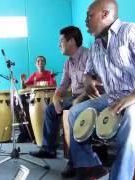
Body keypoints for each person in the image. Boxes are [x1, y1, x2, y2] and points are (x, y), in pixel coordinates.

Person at [64, 0, 135, 179]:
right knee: (74, 113)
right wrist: (89, 80)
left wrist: (134, 96)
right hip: (114, 96)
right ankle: (90, 166)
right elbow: (88, 73)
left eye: (90, 16)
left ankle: (120, 176)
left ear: (105, 14)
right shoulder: (96, 46)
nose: (86, 21)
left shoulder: (131, 31)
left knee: (133, 115)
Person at [29, 26, 90, 159]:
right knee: (51, 110)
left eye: (61, 41)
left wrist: (80, 99)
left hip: (90, 97)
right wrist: (56, 98)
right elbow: (62, 85)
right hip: (75, 97)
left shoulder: (89, 56)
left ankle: (75, 159)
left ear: (72, 41)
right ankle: (48, 149)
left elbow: (96, 83)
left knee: (75, 109)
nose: (59, 45)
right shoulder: (68, 63)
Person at [17, 56, 56, 143]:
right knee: (20, 103)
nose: (40, 62)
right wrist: (22, 81)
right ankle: (29, 134)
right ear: (36, 64)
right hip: (36, 101)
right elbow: (24, 87)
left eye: (42, 61)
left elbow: (54, 86)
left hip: (48, 100)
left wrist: (52, 77)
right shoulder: (34, 75)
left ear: (45, 63)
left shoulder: (49, 73)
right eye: (38, 61)